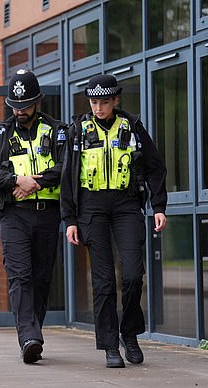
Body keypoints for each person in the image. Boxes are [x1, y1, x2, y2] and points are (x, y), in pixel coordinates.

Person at [60, 74, 167, 368]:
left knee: (133, 274)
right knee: (104, 282)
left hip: (126, 203)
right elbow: (68, 177)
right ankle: (109, 346)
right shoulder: (78, 130)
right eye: (94, 102)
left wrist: (158, 205)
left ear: (115, 100)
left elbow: (155, 166)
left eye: (104, 102)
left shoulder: (131, 126)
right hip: (91, 207)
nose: (98, 108)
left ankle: (129, 333)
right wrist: (69, 218)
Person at [0, 70, 67, 364]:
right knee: (20, 275)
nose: (20, 111)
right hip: (14, 216)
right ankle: (29, 337)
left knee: (42, 278)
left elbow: (66, 167)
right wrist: (18, 180)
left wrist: (36, 182)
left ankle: (33, 332)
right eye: (15, 105)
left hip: (47, 214)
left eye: (26, 105)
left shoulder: (57, 131)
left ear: (38, 102)